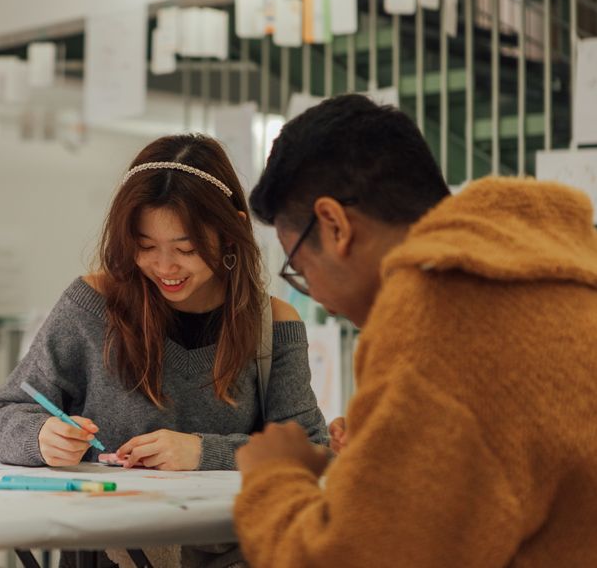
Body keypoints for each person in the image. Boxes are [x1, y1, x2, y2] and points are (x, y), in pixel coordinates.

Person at [233, 93, 597, 566]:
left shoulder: (437, 311)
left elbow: (351, 558)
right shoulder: (556, 271)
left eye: (300, 266)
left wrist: (275, 476)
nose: (314, 292)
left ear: (335, 225)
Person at [0, 133, 329, 475]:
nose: (165, 267)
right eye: (145, 246)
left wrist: (203, 452)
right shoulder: (92, 305)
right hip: (104, 523)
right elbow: (5, 412)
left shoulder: (272, 324)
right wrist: (41, 437)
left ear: (230, 235)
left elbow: (312, 449)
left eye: (186, 249)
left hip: (226, 529)